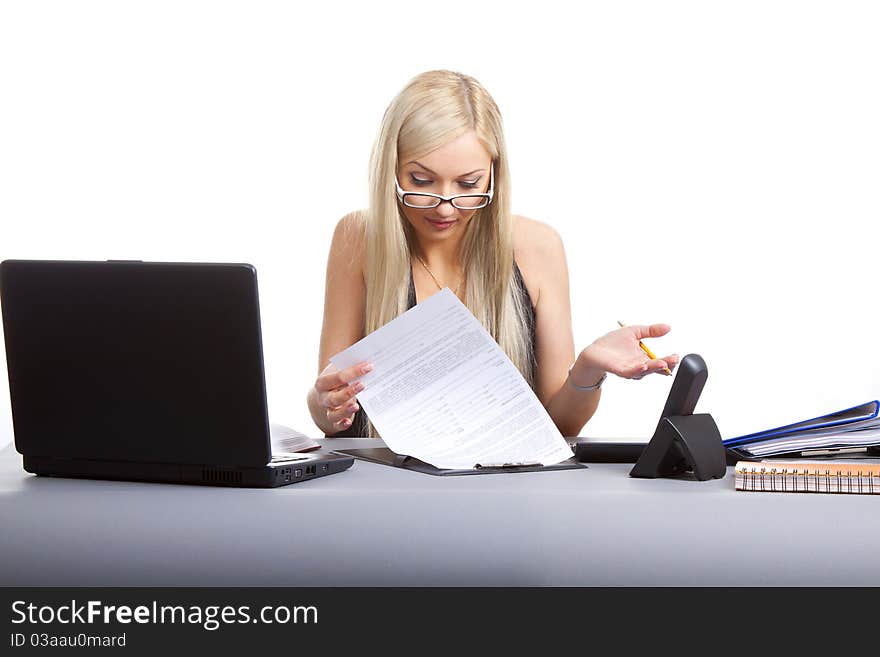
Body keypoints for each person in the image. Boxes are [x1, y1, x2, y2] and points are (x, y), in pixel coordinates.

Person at [307, 69, 678, 438]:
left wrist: (588, 370)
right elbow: (329, 411)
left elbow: (562, 426)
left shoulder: (537, 246)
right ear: (391, 169)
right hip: (387, 485)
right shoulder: (358, 238)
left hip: (503, 488)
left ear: (493, 175)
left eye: (468, 184)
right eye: (421, 181)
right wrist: (324, 404)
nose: (446, 208)